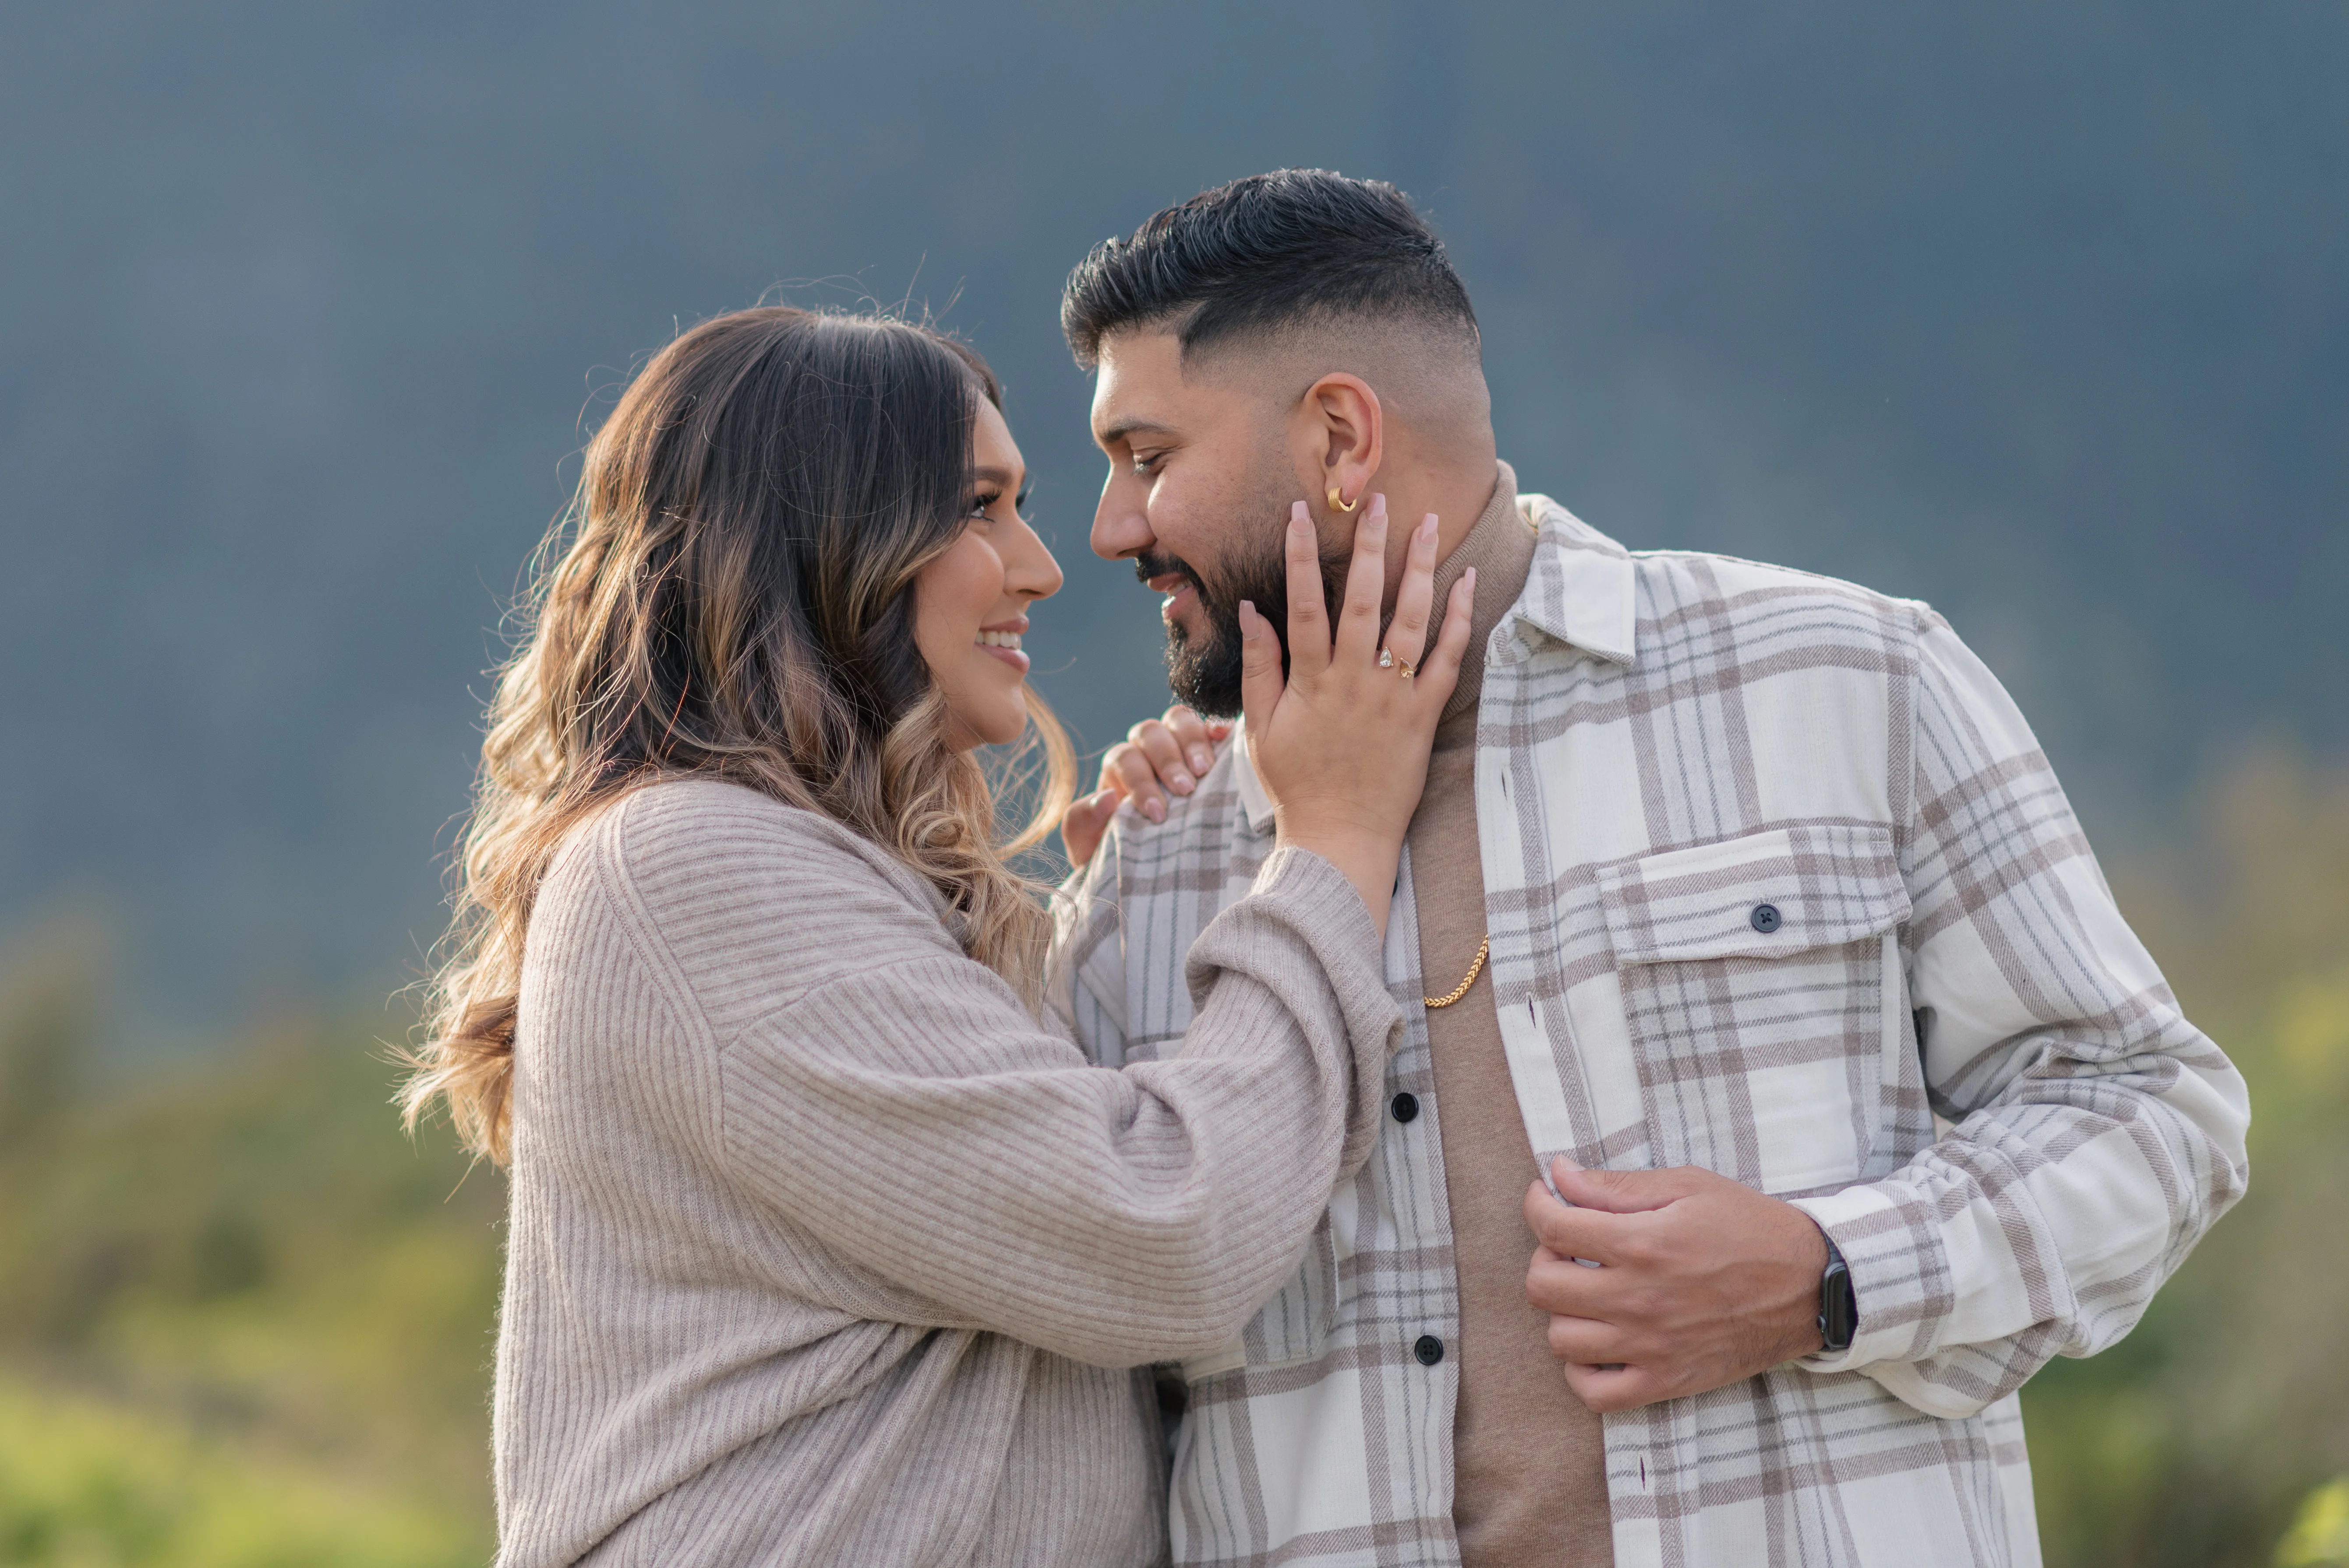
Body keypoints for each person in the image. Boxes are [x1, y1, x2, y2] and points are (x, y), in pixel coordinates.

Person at [1051, 170, 2251, 1568]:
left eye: (1146, 456)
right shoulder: (1158, 857)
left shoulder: (1852, 681)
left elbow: (2156, 1111)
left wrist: (1825, 1272)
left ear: (1339, 436)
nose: (1109, 529)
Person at [398, 304, 1477, 1566]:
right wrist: (1332, 845)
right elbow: (1158, 1227)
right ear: (823, 535)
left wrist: (1130, 907)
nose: (1041, 563)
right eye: (979, 507)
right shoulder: (688, 864)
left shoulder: (791, 877)